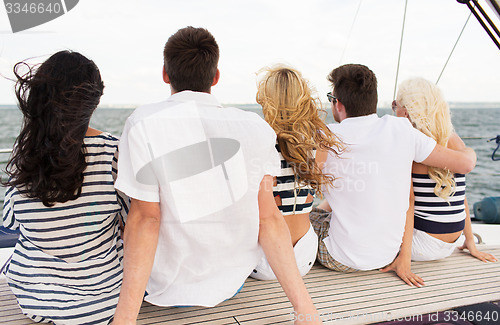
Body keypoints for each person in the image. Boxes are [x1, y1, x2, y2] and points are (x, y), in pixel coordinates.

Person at [111, 27, 320, 324]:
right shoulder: (255, 128)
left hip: (162, 290)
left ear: (165, 74)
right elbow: (269, 219)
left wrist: (125, 320)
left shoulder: (143, 122)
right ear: (216, 77)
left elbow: (146, 220)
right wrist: (306, 311)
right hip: (229, 285)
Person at [312, 64, 477, 287]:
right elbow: (465, 163)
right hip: (388, 254)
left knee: (304, 217)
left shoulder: (326, 136)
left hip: (341, 258)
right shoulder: (402, 129)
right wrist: (457, 140)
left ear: (338, 104)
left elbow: (308, 182)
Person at [1, 51, 129, 324]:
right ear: (94, 102)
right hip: (104, 301)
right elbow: (131, 222)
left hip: (36, 301)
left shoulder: (23, 152)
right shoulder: (115, 152)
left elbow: (11, 222)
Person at [251, 65, 343, 280]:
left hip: (263, 260)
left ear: (267, 99)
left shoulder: (258, 140)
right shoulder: (318, 141)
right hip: (303, 259)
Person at [393, 77, 497, 264]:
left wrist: (405, 258)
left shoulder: (413, 145)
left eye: (395, 105)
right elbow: (461, 195)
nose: (394, 110)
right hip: (450, 245)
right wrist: (471, 241)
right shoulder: (454, 140)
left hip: (419, 245)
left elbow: (409, 203)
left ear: (407, 112)